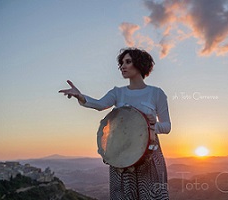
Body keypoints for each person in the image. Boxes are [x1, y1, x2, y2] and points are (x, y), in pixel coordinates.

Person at [59, 47, 171, 199]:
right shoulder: (118, 92)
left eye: (128, 62)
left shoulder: (157, 93)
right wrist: (80, 96)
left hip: (149, 153)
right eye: (122, 63)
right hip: (122, 154)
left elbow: (167, 127)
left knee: (152, 196)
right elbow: (99, 104)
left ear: (140, 64)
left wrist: (153, 125)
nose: (123, 66)